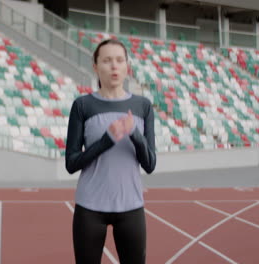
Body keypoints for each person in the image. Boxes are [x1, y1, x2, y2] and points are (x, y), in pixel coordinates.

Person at [65, 39, 156, 264]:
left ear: (127, 67)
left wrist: (133, 132)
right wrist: (107, 140)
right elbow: (71, 163)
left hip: (131, 206)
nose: (114, 66)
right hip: (90, 208)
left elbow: (150, 164)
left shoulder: (142, 106)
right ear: (95, 67)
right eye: (106, 60)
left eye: (119, 60)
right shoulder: (82, 105)